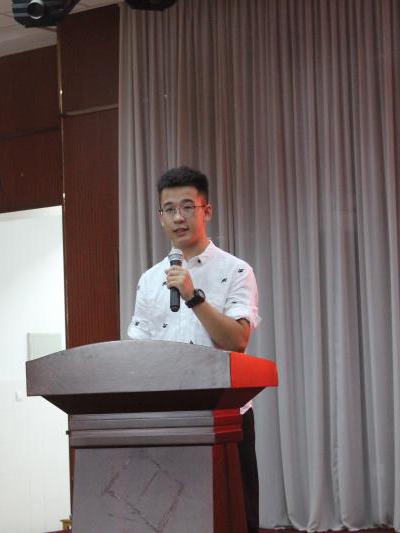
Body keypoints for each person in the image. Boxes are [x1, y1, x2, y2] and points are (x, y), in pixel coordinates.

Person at [127, 166, 261, 533]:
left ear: (207, 211)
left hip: (226, 415)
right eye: (169, 209)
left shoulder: (236, 270)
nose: (178, 217)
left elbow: (237, 340)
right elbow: (139, 351)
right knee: (172, 518)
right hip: (168, 417)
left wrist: (193, 296)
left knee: (233, 517)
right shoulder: (150, 280)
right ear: (160, 217)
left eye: (188, 207)